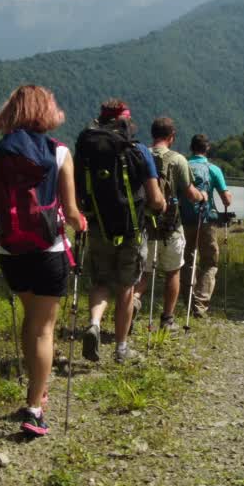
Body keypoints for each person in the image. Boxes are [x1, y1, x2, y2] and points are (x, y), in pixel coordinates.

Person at [0, 85, 87, 438]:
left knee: (32, 320)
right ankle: (35, 408)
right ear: (46, 112)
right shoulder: (59, 153)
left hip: (11, 251)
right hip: (48, 250)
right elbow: (70, 213)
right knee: (44, 328)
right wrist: (80, 221)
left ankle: (36, 391)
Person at [74, 99, 165, 363]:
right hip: (132, 230)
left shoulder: (87, 150)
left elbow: (79, 194)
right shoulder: (138, 151)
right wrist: (156, 208)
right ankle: (121, 348)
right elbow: (156, 199)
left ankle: (94, 323)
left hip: (99, 228)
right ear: (126, 122)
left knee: (101, 282)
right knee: (126, 287)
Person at [134, 117, 205, 331]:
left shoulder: (139, 155)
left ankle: (134, 301)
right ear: (171, 137)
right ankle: (167, 319)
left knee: (143, 273)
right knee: (173, 272)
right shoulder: (178, 160)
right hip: (171, 226)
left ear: (153, 134)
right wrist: (202, 196)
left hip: (144, 226)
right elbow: (190, 194)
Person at [179, 133, 234, 319]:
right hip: (207, 221)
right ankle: (200, 304)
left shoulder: (182, 166)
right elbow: (226, 200)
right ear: (207, 148)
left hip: (184, 221)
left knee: (186, 261)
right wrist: (228, 196)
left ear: (191, 148)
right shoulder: (213, 169)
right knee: (209, 262)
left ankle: (188, 302)